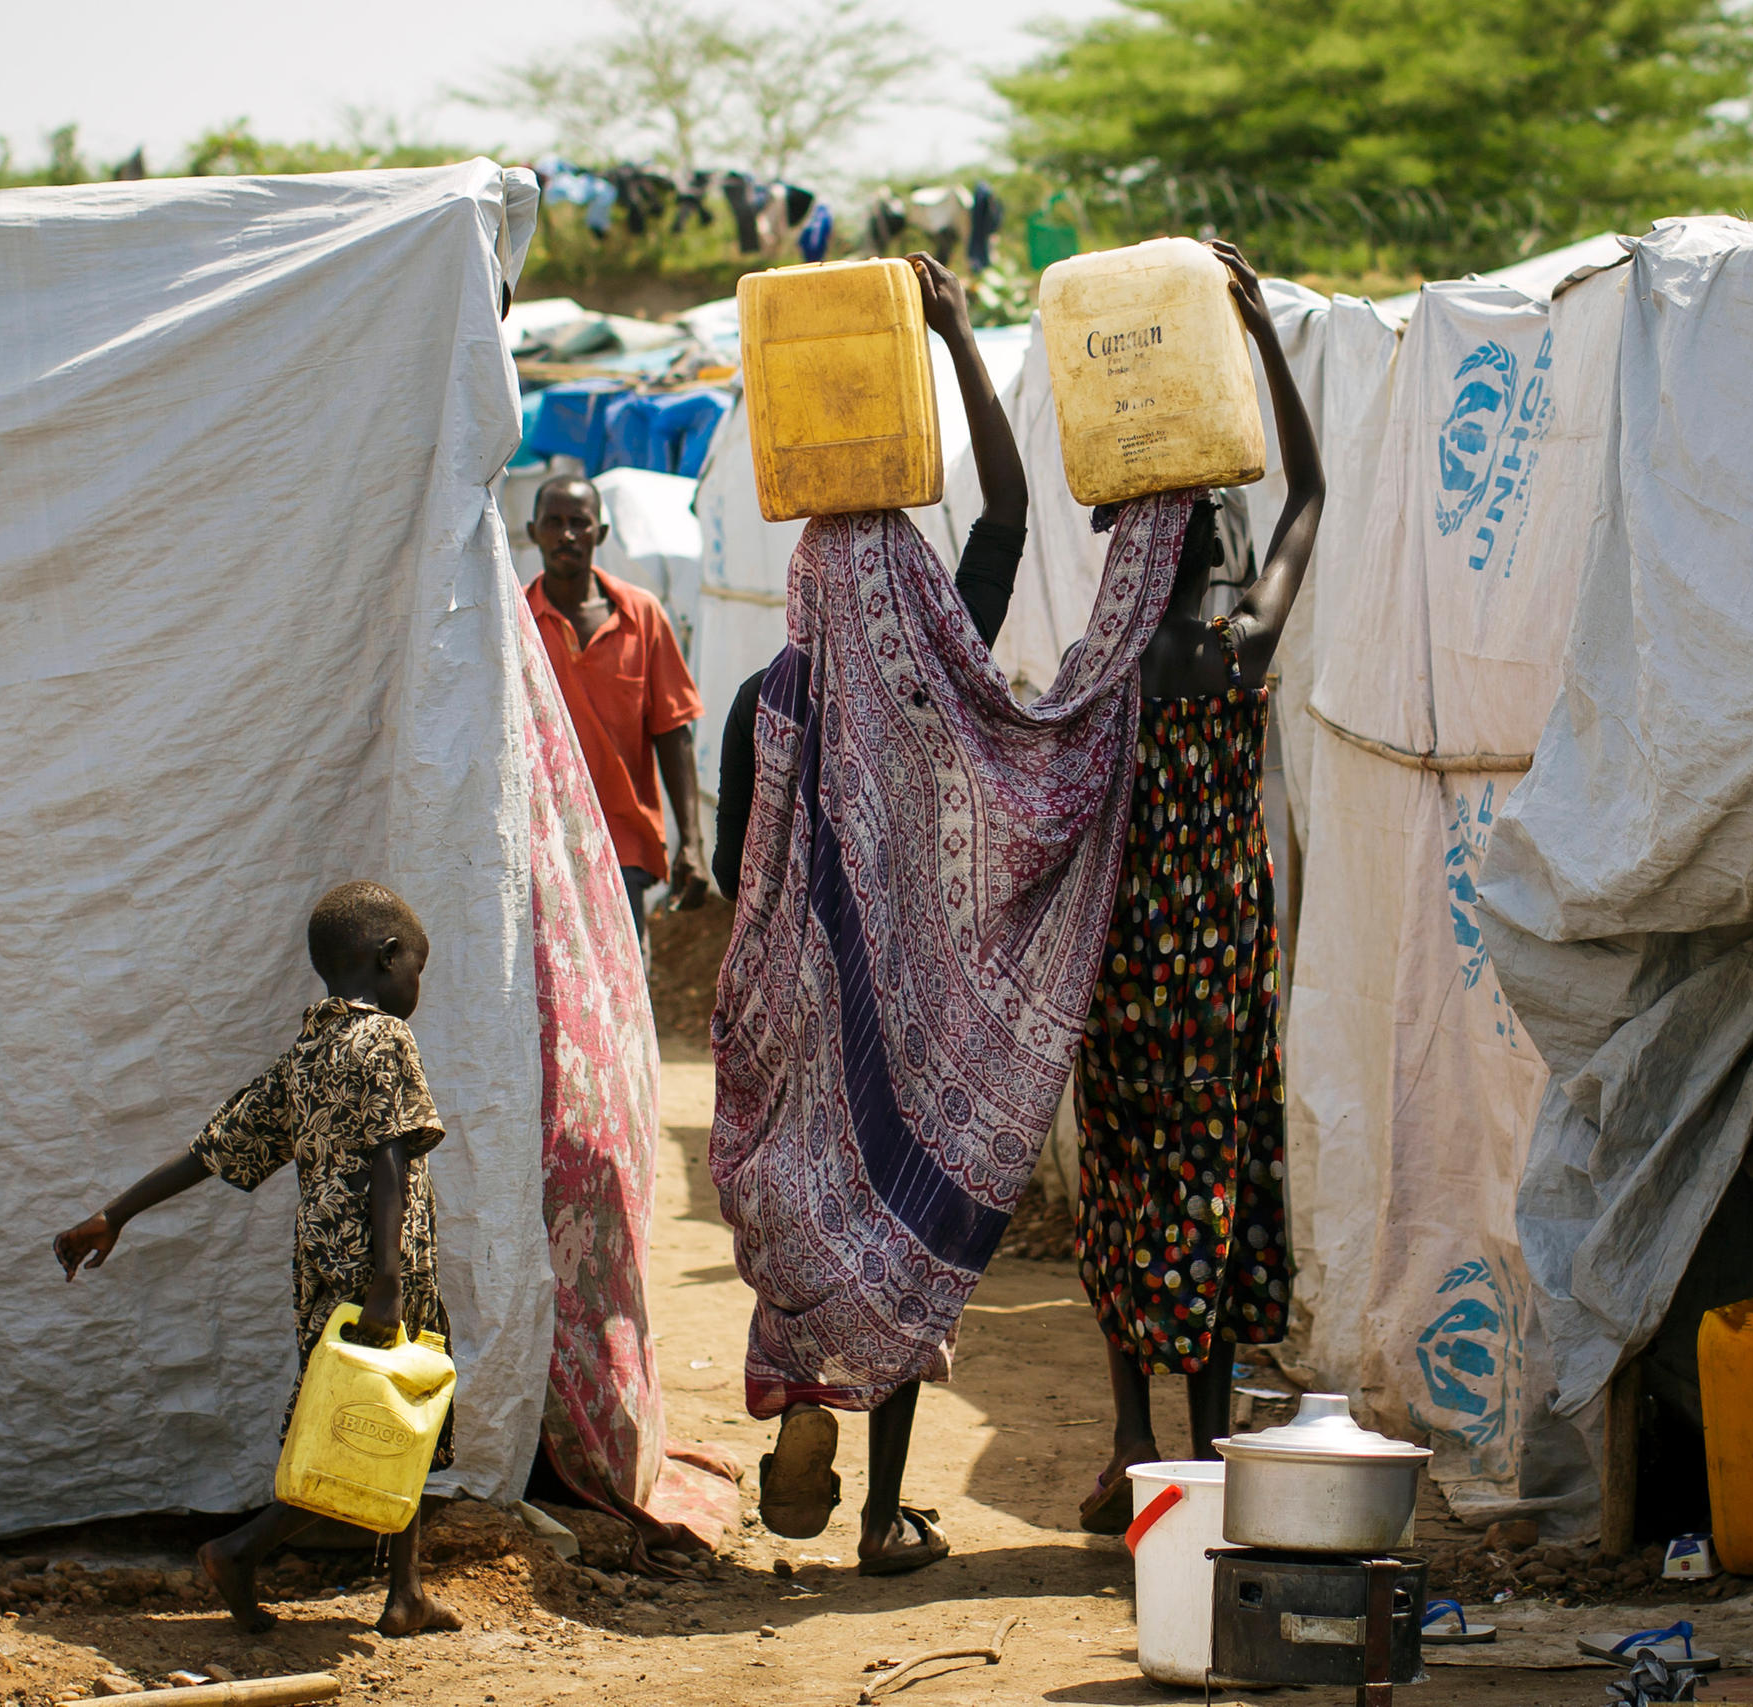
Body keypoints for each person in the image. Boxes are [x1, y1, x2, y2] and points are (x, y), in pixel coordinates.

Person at [711, 253, 1059, 1577]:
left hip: (798, 1017)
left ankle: (803, 1401)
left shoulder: (769, 700)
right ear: (905, 598)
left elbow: (747, 876)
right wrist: (962, 341)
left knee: (811, 1215)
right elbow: (1011, 512)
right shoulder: (932, 681)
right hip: (909, 1028)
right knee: (904, 1228)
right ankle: (885, 1510)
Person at [1072, 240, 1325, 1534]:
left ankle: (1126, 1436)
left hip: (1125, 964)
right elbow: (1310, 492)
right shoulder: (1243, 646)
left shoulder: (1099, 667)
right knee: (1213, 1181)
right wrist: (1262, 327)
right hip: (1223, 958)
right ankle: (1209, 1442)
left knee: (1124, 1178)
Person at [50, 880, 462, 1638]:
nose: (418, 986)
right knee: (371, 1422)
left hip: (318, 1273)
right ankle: (241, 1550)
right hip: (382, 1269)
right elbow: (390, 1162)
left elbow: (212, 1148)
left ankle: (405, 1592)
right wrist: (388, 1283)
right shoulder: (386, 1041)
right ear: (386, 957)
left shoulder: (308, 1053)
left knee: (388, 1414)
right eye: (419, 968)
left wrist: (117, 1214)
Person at [524, 479, 707, 951]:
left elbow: (673, 731)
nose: (567, 535)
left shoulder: (641, 615)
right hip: (536, 845)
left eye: (579, 523)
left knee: (627, 992)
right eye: (554, 523)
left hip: (622, 842)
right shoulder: (514, 620)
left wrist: (692, 841)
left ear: (600, 533)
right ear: (533, 532)